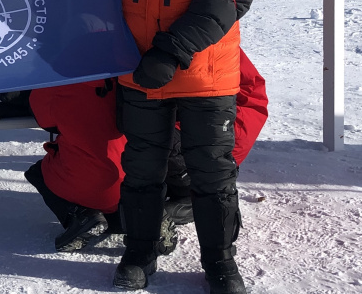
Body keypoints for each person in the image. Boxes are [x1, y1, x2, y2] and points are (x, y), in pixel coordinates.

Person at [110, 0, 259, 293]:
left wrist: (171, 51)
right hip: (139, 73)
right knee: (141, 170)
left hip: (204, 76)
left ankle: (220, 263)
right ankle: (138, 253)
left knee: (212, 174)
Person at [25, 48, 267, 253]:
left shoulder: (84, 60)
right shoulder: (216, 44)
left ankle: (91, 215)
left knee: (41, 171)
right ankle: (183, 205)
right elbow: (253, 93)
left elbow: (44, 116)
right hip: (219, 157)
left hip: (139, 168)